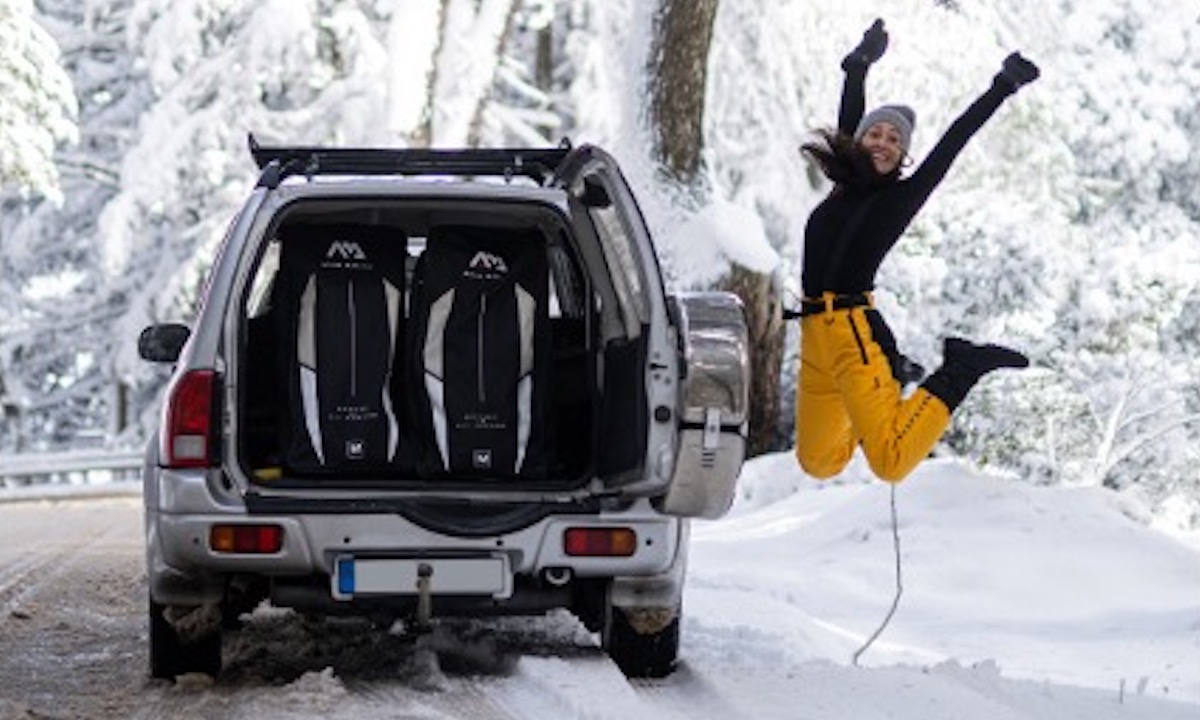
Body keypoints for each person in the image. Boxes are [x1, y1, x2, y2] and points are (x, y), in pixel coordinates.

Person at [794, 18, 1039, 483]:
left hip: (854, 336)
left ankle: (962, 366)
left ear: (903, 155)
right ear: (860, 140)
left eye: (894, 140)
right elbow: (850, 114)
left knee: (889, 462)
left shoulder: (900, 198)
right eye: (876, 133)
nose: (883, 142)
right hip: (813, 334)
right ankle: (889, 387)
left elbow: (954, 139)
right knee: (819, 462)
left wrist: (1002, 86)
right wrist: (859, 66)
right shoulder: (844, 182)